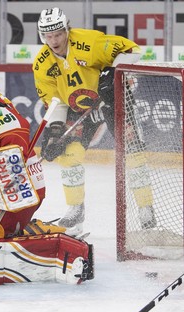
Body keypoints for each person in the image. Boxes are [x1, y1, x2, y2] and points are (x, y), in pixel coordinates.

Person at [0, 57, 94, 285]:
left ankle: (61, 251)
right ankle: (38, 235)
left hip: (7, 189)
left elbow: (7, 131)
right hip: (7, 189)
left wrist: (9, 165)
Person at [33, 7, 154, 235]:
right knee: (68, 156)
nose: (54, 40)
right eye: (48, 36)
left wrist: (112, 72)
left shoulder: (89, 42)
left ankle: (146, 207)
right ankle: (76, 209)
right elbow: (56, 101)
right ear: (42, 36)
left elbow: (133, 50)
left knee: (133, 151)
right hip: (77, 109)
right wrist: (56, 131)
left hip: (113, 100)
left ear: (66, 30)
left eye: (58, 34)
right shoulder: (42, 64)